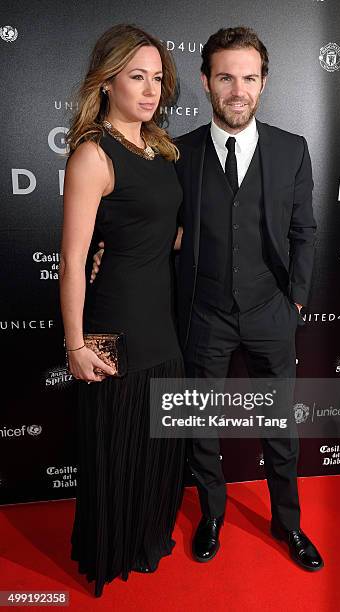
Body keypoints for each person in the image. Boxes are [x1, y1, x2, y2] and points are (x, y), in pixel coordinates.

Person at [93, 26, 323, 572]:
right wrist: (108, 249)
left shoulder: (292, 149)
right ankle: (213, 515)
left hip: (271, 312)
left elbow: (304, 232)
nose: (237, 89)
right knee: (200, 427)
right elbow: (151, 225)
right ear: (206, 82)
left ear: (263, 83)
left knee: (281, 427)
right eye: (225, 77)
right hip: (202, 314)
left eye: (248, 77)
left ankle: (287, 521)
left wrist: (296, 301)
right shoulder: (179, 152)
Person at [59, 24, 185, 597]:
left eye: (158, 77)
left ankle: (145, 536)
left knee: (156, 444)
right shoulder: (92, 153)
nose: (151, 88)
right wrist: (76, 345)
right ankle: (112, 548)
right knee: (118, 447)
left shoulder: (158, 148)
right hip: (114, 325)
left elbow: (161, 231)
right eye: (137, 76)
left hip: (163, 319)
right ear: (107, 82)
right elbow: (73, 260)